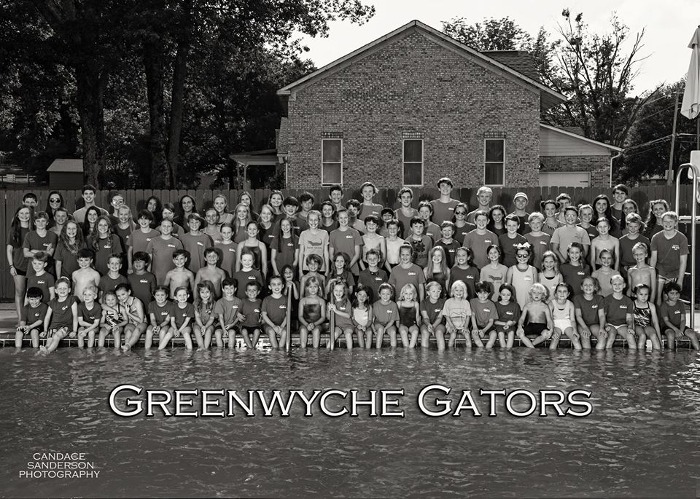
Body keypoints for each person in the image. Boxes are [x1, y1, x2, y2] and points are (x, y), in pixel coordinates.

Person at [650, 211, 688, 306]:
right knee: (657, 296)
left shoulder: (681, 238)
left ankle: (667, 314)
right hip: (660, 270)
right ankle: (657, 314)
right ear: (661, 222)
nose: (668, 224)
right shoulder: (656, 237)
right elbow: (653, 259)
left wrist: (680, 280)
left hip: (674, 272)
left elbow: (683, 261)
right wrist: (651, 275)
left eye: (671, 221)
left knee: (668, 297)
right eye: (665, 221)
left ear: (675, 223)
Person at [7, 206, 33, 319]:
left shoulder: (34, 229)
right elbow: (9, 250)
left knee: (31, 293)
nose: (24, 216)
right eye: (21, 213)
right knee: (20, 292)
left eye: (27, 213)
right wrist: (11, 266)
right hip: (19, 265)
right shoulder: (14, 230)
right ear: (17, 215)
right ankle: (21, 319)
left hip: (33, 266)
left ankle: (30, 318)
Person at [40, 277, 79, 354]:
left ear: (69, 290)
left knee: (57, 336)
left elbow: (75, 316)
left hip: (66, 326)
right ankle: (44, 351)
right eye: (60, 288)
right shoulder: (53, 302)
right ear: (56, 291)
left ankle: (48, 351)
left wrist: (74, 331)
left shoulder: (71, 300)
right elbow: (47, 317)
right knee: (49, 341)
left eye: (65, 288)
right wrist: (45, 330)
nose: (62, 290)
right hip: (53, 326)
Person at [658, 281, 700, 350]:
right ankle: (670, 354)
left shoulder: (680, 304)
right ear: (666, 294)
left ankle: (698, 351)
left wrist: (681, 330)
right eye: (672, 293)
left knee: (692, 333)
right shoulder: (664, 305)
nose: (675, 295)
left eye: (677, 293)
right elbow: (666, 321)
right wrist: (676, 330)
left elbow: (683, 319)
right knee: (670, 335)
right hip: (668, 327)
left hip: (679, 326)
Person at [602, 275, 636, 349]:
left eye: (620, 284)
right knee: (611, 337)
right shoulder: (606, 300)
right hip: (610, 325)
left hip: (622, 325)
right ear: (611, 285)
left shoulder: (628, 301)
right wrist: (605, 325)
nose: (617, 286)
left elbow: (629, 318)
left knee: (630, 337)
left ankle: (633, 356)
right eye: (615, 284)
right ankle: (607, 356)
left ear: (624, 285)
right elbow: (603, 315)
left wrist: (630, 327)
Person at [146, 219, 183, 285]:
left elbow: (181, 260)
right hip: (156, 275)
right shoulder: (153, 241)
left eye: (168, 226)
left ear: (172, 228)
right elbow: (149, 259)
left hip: (173, 276)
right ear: (160, 228)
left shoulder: (177, 242)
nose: (166, 228)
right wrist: (148, 274)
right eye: (164, 226)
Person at [573, 277, 606, 350]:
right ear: (581, 287)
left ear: (595, 287)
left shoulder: (599, 298)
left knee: (602, 338)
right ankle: (587, 356)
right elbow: (578, 316)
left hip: (594, 324)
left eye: (590, 285)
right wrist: (585, 328)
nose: (588, 287)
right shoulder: (577, 298)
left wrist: (601, 328)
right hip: (582, 324)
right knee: (585, 337)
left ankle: (598, 356)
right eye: (585, 285)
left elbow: (601, 315)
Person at [516, 282, 552, 347]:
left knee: (546, 334)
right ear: (531, 294)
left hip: (541, 326)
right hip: (530, 325)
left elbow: (549, 320)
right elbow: (522, 318)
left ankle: (530, 346)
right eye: (534, 292)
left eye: (539, 293)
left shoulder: (545, 306)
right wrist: (519, 327)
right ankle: (532, 348)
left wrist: (551, 330)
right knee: (519, 333)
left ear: (543, 295)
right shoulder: (527, 306)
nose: (536, 295)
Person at [23, 211, 57, 276]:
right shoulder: (29, 235)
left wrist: (33, 251)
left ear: (47, 222)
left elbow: (50, 253)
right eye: (38, 221)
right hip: (32, 271)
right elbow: (26, 254)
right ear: (34, 223)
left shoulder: (52, 235)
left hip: (48, 270)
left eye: (43, 221)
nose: (40, 223)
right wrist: (45, 252)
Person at [329, 210, 363, 276]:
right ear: (337, 219)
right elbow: (331, 254)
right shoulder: (333, 234)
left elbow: (357, 254)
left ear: (349, 218)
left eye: (345, 217)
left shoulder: (355, 233)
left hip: (352, 269)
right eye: (341, 218)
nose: (343, 220)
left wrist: (348, 267)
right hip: (337, 270)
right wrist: (338, 266)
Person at [213, 278, 244, 349]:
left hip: (234, 324)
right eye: (226, 288)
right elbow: (220, 317)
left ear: (235, 289)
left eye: (231, 288)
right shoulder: (220, 302)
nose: (229, 291)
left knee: (231, 333)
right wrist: (224, 329)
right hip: (221, 324)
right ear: (223, 289)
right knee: (217, 333)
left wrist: (232, 324)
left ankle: (230, 352)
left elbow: (238, 316)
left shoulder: (239, 301)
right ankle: (219, 351)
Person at [549, 283, 581, 350]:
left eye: (564, 291)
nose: (562, 293)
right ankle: (552, 356)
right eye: (559, 291)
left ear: (568, 294)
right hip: (555, 325)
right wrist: (553, 330)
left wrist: (575, 330)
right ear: (556, 293)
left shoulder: (570, 304)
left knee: (576, 340)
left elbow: (572, 320)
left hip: (567, 324)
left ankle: (578, 356)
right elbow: (550, 319)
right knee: (554, 340)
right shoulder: (551, 303)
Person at [440, 280, 472, 348]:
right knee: (453, 335)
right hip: (451, 325)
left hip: (463, 326)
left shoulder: (466, 302)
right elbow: (446, 315)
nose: (459, 292)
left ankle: (469, 352)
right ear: (452, 291)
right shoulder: (448, 302)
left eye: (461, 290)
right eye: (456, 290)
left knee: (467, 336)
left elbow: (468, 316)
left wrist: (465, 327)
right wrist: (452, 326)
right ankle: (450, 351)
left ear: (464, 292)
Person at [116, 283, 147, 351]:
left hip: (142, 323)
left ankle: (128, 345)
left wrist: (128, 313)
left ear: (129, 292)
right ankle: (126, 350)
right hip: (131, 323)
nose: (121, 297)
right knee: (128, 331)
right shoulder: (120, 302)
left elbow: (141, 320)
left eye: (123, 294)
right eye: (118, 296)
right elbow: (104, 305)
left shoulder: (137, 302)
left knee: (137, 329)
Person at [260, 275, 289, 349]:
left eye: (279, 284)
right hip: (269, 325)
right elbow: (264, 315)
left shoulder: (286, 299)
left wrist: (282, 326)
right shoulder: (266, 300)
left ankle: (281, 350)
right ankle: (275, 350)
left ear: (283, 286)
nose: (276, 286)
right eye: (274, 284)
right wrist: (273, 326)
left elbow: (288, 315)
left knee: (285, 332)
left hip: (283, 324)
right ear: (270, 287)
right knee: (271, 332)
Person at [298, 276, 326, 349]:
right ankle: (303, 351)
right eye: (310, 287)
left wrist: (314, 324)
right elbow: (300, 316)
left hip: (317, 324)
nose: (313, 289)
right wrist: (307, 324)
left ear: (318, 288)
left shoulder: (321, 301)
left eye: (315, 287)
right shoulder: (303, 300)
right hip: (305, 324)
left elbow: (323, 317)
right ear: (307, 288)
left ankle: (315, 352)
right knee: (303, 330)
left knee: (316, 331)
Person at [632, 283, 662, 351]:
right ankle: (640, 355)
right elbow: (631, 321)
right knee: (642, 336)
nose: (644, 297)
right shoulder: (632, 305)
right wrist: (633, 334)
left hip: (647, 326)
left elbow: (655, 322)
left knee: (654, 336)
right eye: (641, 294)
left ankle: (657, 355)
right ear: (635, 295)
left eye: (646, 294)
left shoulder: (651, 305)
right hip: (636, 326)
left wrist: (660, 339)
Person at [619, 213, 650, 278]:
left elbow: (649, 258)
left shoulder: (645, 240)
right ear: (627, 226)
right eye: (631, 226)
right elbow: (618, 259)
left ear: (639, 226)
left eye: (635, 226)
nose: (633, 229)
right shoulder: (621, 241)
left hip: (641, 270)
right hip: (625, 270)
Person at [297, 210, 328, 276]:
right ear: (308, 221)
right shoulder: (303, 234)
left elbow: (326, 253)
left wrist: (327, 269)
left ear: (319, 221)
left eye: (315, 220)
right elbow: (301, 253)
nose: (313, 222)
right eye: (311, 220)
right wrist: (300, 271)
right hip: (306, 267)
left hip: (320, 268)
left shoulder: (324, 233)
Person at [506, 244, 537, 308]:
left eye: (525, 256)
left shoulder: (533, 270)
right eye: (519, 256)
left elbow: (536, 288)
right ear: (516, 256)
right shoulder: (511, 269)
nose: (522, 258)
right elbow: (507, 288)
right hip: (515, 304)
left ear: (529, 256)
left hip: (529, 304)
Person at [470, 280, 498, 349]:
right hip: (477, 325)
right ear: (476, 293)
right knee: (474, 333)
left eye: (485, 293)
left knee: (494, 334)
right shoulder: (473, 302)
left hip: (488, 326)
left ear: (489, 293)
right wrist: (475, 327)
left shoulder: (491, 304)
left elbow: (491, 321)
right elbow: (472, 315)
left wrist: (484, 330)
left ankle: (488, 349)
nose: (482, 295)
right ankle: (481, 349)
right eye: (480, 293)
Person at [145, 286, 174, 350]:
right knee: (149, 331)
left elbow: (167, 320)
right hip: (154, 324)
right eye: (157, 295)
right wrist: (155, 326)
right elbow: (152, 319)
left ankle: (161, 352)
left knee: (162, 332)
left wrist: (160, 326)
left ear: (166, 295)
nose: (160, 297)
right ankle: (147, 352)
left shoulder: (171, 305)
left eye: (162, 295)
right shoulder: (151, 304)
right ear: (154, 296)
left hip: (165, 325)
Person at [420, 281, 446, 351]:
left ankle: (441, 354)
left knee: (439, 333)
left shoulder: (443, 302)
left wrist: (433, 326)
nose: (436, 293)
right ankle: (424, 355)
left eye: (438, 291)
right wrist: (429, 325)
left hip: (439, 324)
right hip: (426, 324)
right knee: (425, 333)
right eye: (433, 291)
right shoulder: (423, 302)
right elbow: (425, 317)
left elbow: (439, 317)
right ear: (428, 293)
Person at [373, 283, 400, 348]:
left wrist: (386, 328)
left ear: (391, 294)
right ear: (379, 294)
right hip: (378, 324)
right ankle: (378, 350)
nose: (385, 296)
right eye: (383, 294)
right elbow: (372, 320)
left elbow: (392, 320)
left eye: (388, 294)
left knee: (393, 332)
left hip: (389, 324)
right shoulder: (375, 304)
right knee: (380, 329)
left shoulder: (393, 305)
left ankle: (393, 351)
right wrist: (374, 330)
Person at [494, 283, 520, 349]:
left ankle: (508, 352)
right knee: (501, 334)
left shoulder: (515, 305)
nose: (506, 297)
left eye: (508, 295)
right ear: (499, 294)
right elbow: (494, 321)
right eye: (503, 295)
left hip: (511, 325)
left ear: (511, 295)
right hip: (499, 325)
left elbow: (516, 319)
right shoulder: (495, 305)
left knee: (511, 333)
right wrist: (505, 324)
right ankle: (503, 352)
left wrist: (512, 323)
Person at [239, 281, 263, 349]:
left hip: (256, 324)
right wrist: (239, 315)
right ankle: (250, 348)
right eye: (249, 290)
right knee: (244, 332)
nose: (252, 292)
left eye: (254, 290)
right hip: (245, 324)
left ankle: (252, 347)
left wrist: (262, 318)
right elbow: (238, 312)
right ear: (246, 292)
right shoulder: (243, 301)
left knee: (257, 332)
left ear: (258, 292)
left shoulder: (260, 301)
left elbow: (263, 312)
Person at [194, 280, 217, 349]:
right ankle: (201, 347)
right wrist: (201, 326)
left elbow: (212, 318)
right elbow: (197, 317)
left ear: (211, 292)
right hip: (198, 323)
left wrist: (205, 327)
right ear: (199, 293)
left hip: (210, 324)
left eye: (207, 292)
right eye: (202, 292)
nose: (205, 295)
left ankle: (205, 349)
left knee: (209, 331)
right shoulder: (196, 302)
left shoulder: (214, 303)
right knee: (196, 330)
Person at [396, 283, 420, 348]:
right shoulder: (399, 303)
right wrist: (397, 327)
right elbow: (396, 317)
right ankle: (406, 349)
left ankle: (411, 349)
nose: (408, 296)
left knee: (415, 332)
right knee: (403, 332)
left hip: (412, 325)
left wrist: (418, 327)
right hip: (402, 324)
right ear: (402, 294)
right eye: (406, 293)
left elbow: (417, 317)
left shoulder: (416, 304)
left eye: (410, 293)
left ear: (414, 294)